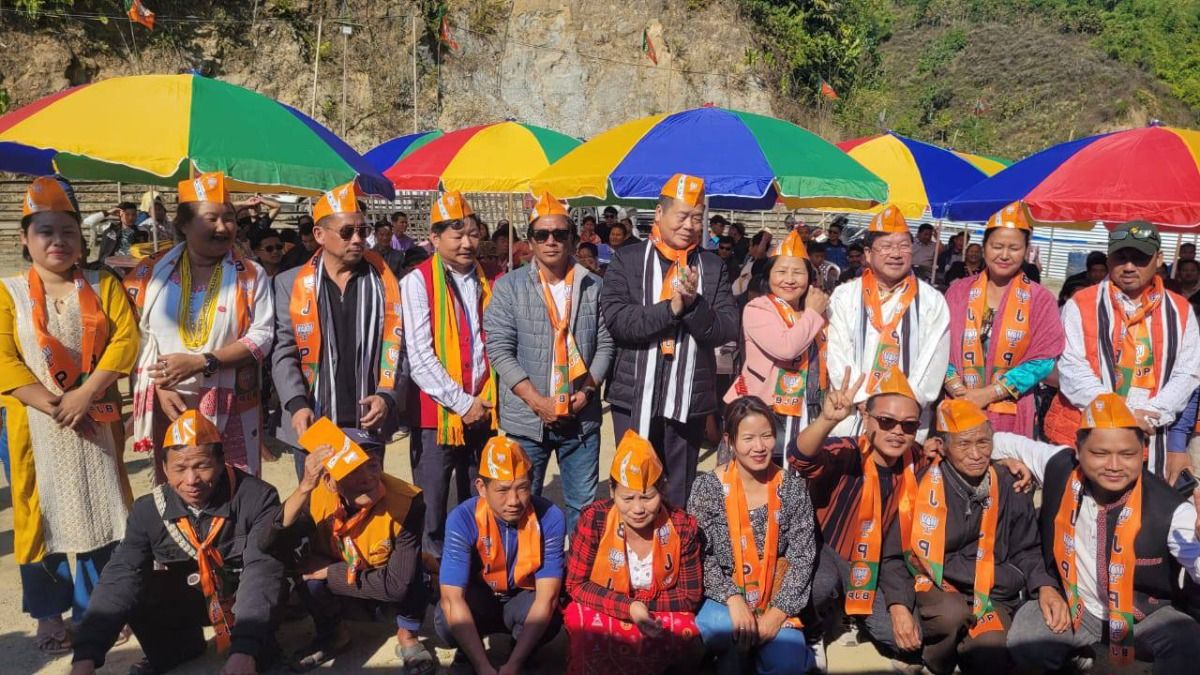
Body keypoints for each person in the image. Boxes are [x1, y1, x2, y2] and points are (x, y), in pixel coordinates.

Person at [0, 177, 138, 655]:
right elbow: (4, 357)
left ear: (83, 239)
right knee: (41, 515)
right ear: (24, 238)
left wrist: (86, 395)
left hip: (96, 417)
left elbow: (126, 341)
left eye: (68, 232)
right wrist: (56, 404)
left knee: (104, 508)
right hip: (34, 424)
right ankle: (47, 613)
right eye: (45, 231)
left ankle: (97, 607)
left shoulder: (104, 285)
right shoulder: (8, 292)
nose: (58, 241)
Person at [996, 393, 1200, 674]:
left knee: (1186, 639)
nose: (1114, 466)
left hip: (1142, 613)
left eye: (1127, 454)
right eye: (1100, 453)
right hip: (1073, 603)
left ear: (1142, 452)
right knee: (1027, 639)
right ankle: (1076, 659)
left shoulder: (1172, 508)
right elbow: (995, 442)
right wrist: (1006, 461)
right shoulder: (1059, 465)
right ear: (1078, 450)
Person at [69, 411, 285, 675]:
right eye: (180, 469)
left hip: (241, 602)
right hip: (193, 600)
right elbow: (120, 576)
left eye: (202, 466)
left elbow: (261, 572)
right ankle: (176, 648)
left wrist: (245, 648)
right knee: (135, 579)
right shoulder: (148, 511)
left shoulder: (257, 498)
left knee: (263, 655)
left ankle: (252, 646)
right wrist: (85, 656)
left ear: (221, 462)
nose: (191, 480)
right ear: (164, 469)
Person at [879, 399, 1055, 675]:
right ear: (943, 447)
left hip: (991, 589)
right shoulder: (922, 488)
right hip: (936, 583)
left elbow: (1027, 548)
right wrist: (898, 607)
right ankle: (936, 661)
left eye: (983, 443)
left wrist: (1044, 585)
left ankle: (967, 649)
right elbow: (892, 556)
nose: (976, 454)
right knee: (952, 615)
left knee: (992, 650)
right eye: (963, 445)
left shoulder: (1009, 483)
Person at [601, 174, 739, 507]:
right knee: (635, 482)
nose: (690, 225)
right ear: (659, 215)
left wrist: (693, 307)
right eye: (682, 215)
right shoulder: (628, 259)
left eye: (697, 216)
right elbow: (619, 321)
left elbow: (726, 327)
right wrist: (671, 308)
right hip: (633, 393)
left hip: (688, 396)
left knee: (679, 488)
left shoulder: (711, 265)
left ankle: (675, 553)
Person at [124, 172, 274, 477]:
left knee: (234, 486)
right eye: (211, 219)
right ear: (183, 224)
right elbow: (135, 337)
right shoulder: (149, 273)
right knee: (181, 486)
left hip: (231, 402)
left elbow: (262, 335)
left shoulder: (252, 274)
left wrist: (202, 361)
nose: (223, 227)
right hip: (169, 402)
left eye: (229, 218)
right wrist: (159, 387)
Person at [484, 192, 614, 534]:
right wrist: (536, 401)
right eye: (542, 234)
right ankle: (528, 577)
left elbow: (605, 343)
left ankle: (576, 581)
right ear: (531, 240)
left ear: (572, 238)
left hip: (580, 419)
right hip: (527, 420)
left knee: (583, 508)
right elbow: (499, 349)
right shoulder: (509, 287)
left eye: (560, 234)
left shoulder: (594, 286)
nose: (551, 241)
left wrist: (587, 393)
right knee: (520, 504)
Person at [1045, 221, 1200, 482]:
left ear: (1159, 258)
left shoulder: (1181, 311)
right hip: (1085, 437)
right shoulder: (1081, 304)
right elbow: (1071, 370)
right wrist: (1124, 414)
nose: (1129, 267)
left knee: (1137, 519)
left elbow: (1188, 374)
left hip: (1150, 435)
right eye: (1121, 258)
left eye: (1139, 258)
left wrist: (1152, 413)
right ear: (1108, 258)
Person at [787, 367, 925, 658]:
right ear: (866, 418)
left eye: (908, 425)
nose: (897, 432)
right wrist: (826, 420)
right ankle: (813, 627)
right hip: (825, 547)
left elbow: (969, 446)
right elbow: (800, 458)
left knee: (903, 642)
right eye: (886, 421)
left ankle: (850, 610)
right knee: (819, 587)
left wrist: (1015, 462)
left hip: (873, 562)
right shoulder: (847, 451)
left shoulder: (919, 460)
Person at [271, 181, 405, 479]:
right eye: (347, 232)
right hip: (312, 420)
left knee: (367, 513)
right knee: (318, 514)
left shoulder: (385, 282)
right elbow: (284, 351)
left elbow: (398, 347)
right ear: (319, 235)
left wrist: (386, 395)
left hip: (368, 419)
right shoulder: (290, 283)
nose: (358, 240)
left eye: (363, 231)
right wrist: (296, 404)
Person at [280, 427, 431, 673]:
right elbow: (269, 539)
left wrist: (330, 572)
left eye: (373, 465)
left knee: (416, 573)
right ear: (329, 480)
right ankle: (334, 635)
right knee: (306, 577)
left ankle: (408, 635)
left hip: (389, 589)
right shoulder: (316, 495)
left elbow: (396, 586)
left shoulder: (407, 502)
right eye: (353, 469)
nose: (368, 478)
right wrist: (304, 488)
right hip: (350, 588)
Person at [400, 191, 497, 559]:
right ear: (435, 238)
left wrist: (482, 401)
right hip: (436, 415)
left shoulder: (491, 279)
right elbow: (420, 355)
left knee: (479, 495)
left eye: (473, 234)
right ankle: (432, 578)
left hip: (484, 406)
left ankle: (475, 566)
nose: (467, 243)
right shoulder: (418, 281)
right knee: (432, 504)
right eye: (457, 236)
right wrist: (461, 402)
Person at [690, 397, 816, 674]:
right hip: (723, 600)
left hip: (774, 598)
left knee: (788, 663)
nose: (759, 447)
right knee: (726, 633)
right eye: (748, 438)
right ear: (730, 441)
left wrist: (777, 612)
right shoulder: (708, 488)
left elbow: (803, 557)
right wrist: (732, 599)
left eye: (767, 436)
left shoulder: (792, 488)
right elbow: (701, 555)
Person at [563, 430, 704, 675]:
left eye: (647, 497)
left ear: (662, 489)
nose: (637, 509)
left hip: (657, 608)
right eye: (627, 498)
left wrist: (641, 606)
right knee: (578, 619)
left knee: (685, 626)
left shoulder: (682, 527)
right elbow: (576, 585)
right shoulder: (594, 519)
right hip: (607, 606)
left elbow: (689, 595)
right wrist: (627, 607)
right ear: (612, 493)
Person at [437, 437, 565, 674]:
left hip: (522, 597)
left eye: (523, 488)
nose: (514, 501)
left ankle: (521, 651)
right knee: (445, 617)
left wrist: (513, 665)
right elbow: (452, 598)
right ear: (481, 488)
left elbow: (547, 597)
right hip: (481, 597)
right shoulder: (462, 518)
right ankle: (469, 653)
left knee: (551, 617)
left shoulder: (550, 517)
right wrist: (483, 667)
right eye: (503, 490)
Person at [825, 206, 950, 436]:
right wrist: (863, 400)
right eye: (886, 246)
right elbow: (837, 350)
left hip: (906, 420)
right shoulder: (844, 295)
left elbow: (933, 359)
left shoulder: (932, 300)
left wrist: (900, 409)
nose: (896, 254)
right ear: (868, 254)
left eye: (903, 246)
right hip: (853, 410)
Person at [943, 203, 1065, 437]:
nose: (1005, 255)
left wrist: (987, 394)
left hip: (1011, 409)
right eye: (997, 246)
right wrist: (959, 391)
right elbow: (939, 347)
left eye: (1014, 248)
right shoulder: (958, 291)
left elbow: (1044, 360)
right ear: (984, 247)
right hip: (958, 405)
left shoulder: (1040, 299)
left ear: (1027, 250)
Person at [726, 230, 828, 449]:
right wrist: (812, 314)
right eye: (781, 271)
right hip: (765, 409)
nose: (789, 280)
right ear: (769, 275)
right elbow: (786, 348)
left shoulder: (818, 311)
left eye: (798, 273)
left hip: (807, 407)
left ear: (810, 278)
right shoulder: (758, 308)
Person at [731, 230, 774, 296]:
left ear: (756, 247)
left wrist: (764, 240)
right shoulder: (749, 258)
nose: (749, 248)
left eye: (751, 245)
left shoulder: (762, 262)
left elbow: (760, 254)